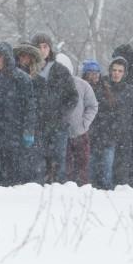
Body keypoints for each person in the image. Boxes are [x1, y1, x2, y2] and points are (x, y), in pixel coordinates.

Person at [0, 42, 36, 185]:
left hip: (15, 131)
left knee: (15, 172)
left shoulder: (21, 78)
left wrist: (28, 130)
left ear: (7, 58)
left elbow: (29, 107)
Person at [28, 34, 78, 183]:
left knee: (58, 164)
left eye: (45, 46)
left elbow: (73, 96)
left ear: (50, 49)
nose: (42, 50)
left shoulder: (60, 70)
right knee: (37, 164)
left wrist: (62, 114)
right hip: (37, 125)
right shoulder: (28, 70)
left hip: (58, 126)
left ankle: (58, 195)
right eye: (39, 47)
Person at [89, 57, 133, 188]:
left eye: (120, 71)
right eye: (114, 70)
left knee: (121, 175)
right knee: (103, 175)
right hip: (103, 137)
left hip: (124, 138)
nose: (116, 73)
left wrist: (132, 131)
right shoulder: (101, 89)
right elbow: (94, 112)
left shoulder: (131, 92)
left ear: (125, 73)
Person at [59, 54, 97, 185]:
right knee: (64, 170)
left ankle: (82, 195)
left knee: (82, 170)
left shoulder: (82, 85)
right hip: (59, 134)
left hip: (80, 134)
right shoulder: (51, 85)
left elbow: (92, 106)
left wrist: (84, 124)